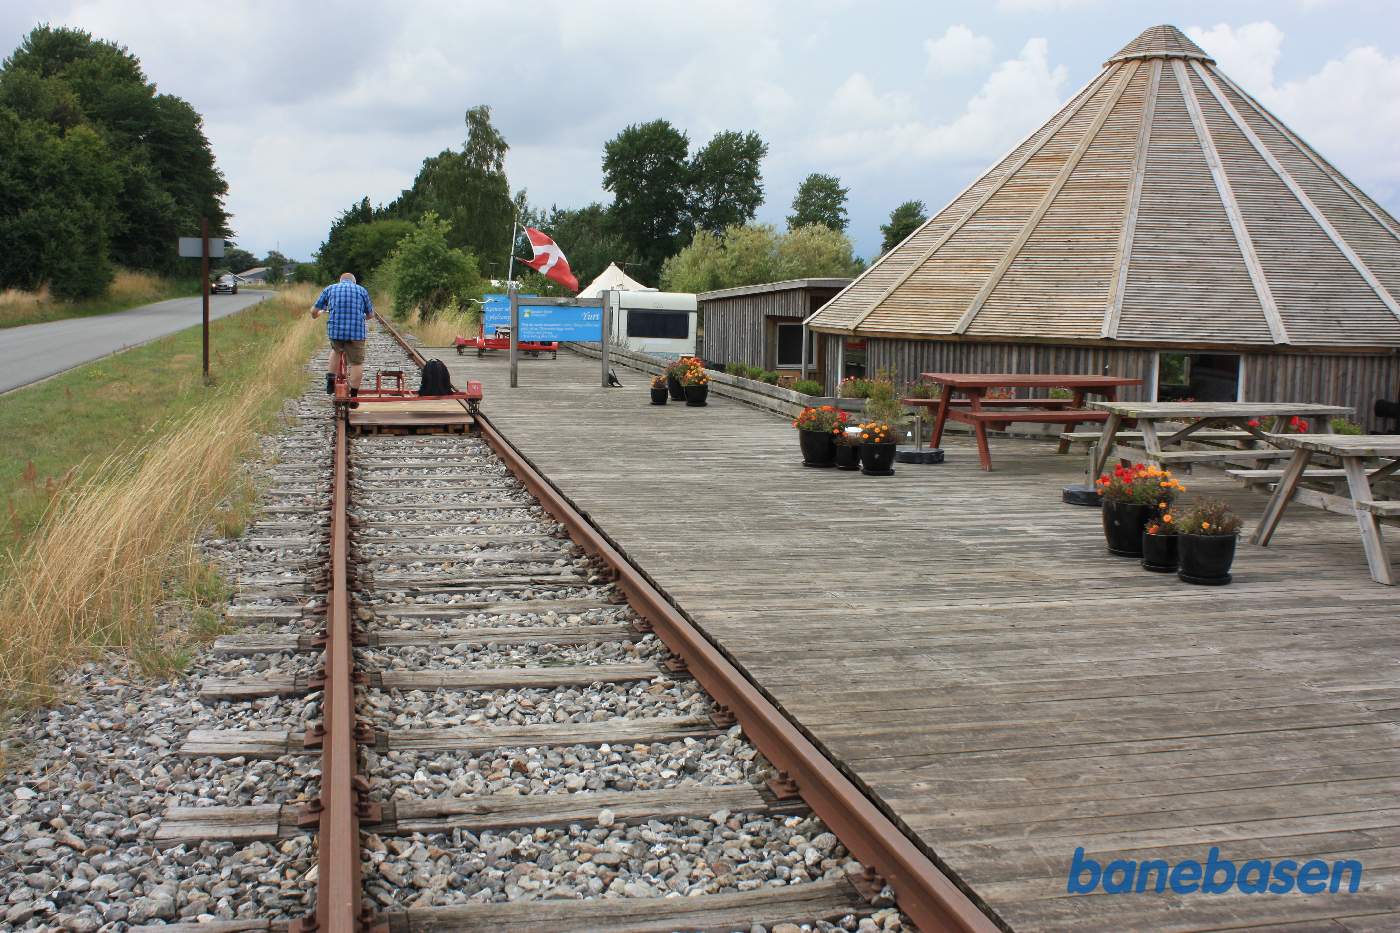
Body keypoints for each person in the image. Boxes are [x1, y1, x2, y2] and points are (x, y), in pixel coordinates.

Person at [311, 272, 374, 404]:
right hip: (356, 332)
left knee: (336, 350)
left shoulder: (330, 288)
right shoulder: (362, 290)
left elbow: (314, 310)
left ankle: (330, 381)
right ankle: (354, 396)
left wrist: (316, 315)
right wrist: (360, 317)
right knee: (356, 363)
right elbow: (370, 315)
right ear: (354, 281)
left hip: (336, 331)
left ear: (340, 281)